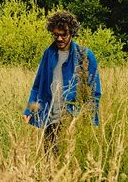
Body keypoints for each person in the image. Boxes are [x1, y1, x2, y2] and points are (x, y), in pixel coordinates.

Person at [24, 10, 101, 149]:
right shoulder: (48, 54)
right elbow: (37, 86)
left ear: (72, 33)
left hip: (74, 121)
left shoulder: (85, 56)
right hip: (50, 121)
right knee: (49, 164)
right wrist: (29, 110)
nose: (59, 39)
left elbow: (94, 92)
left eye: (63, 35)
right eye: (56, 35)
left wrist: (89, 122)